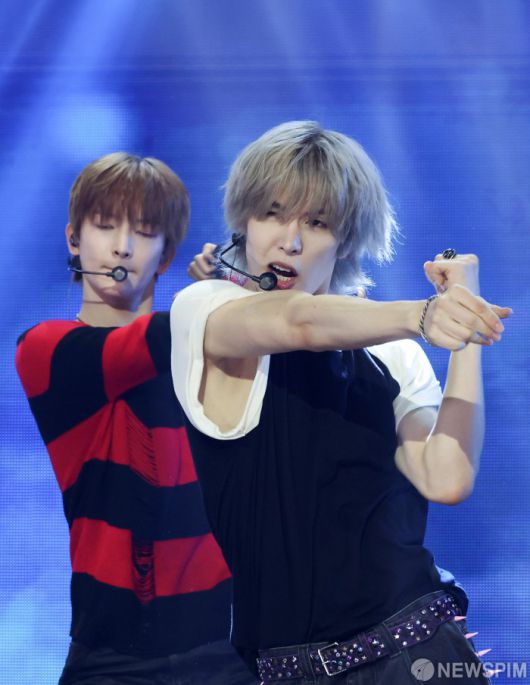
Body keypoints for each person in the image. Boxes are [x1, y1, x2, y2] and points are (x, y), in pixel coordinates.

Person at [171, 122, 511, 684]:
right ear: (244, 222)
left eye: (317, 222)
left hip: (416, 654)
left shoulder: (394, 353)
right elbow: (298, 322)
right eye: (272, 214)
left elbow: (446, 478)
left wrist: (465, 318)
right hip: (284, 667)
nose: (291, 240)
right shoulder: (204, 309)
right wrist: (423, 313)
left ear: (346, 239)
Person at [15, 153, 256, 685]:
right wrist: (218, 301)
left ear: (165, 255)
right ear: (74, 239)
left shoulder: (207, 349)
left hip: (226, 651)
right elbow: (147, 344)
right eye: (105, 226)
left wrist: (225, 305)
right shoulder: (47, 348)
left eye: (144, 233)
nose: (122, 247)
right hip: (111, 657)